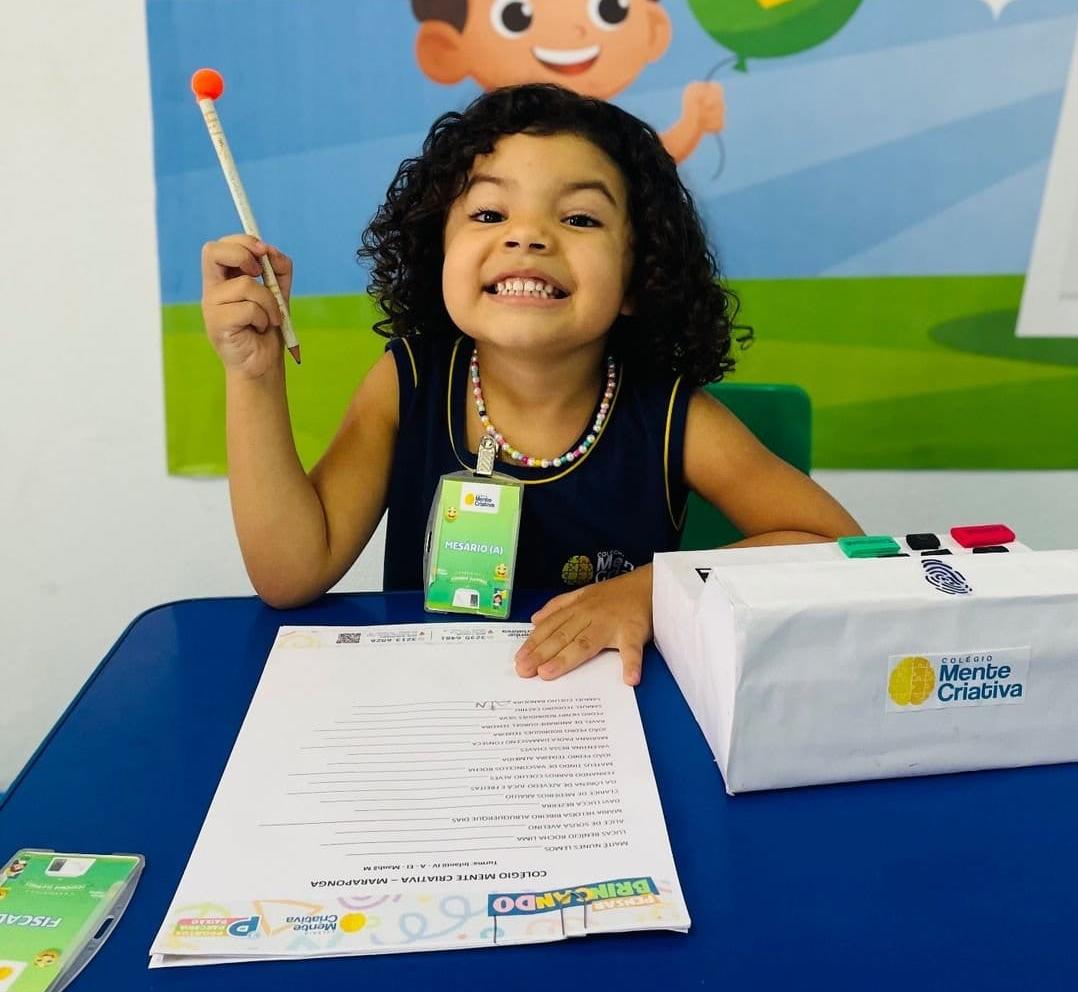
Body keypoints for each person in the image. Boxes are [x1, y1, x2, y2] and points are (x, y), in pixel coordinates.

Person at [200, 84, 861, 686]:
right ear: (440, 253)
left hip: (612, 725)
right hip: (429, 711)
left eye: (579, 219)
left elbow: (833, 547)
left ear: (638, 277)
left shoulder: (672, 418)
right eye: (489, 214)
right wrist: (252, 377)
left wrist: (653, 591)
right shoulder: (407, 381)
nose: (527, 237)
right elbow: (290, 575)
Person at [409, 0, 724, 164]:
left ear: (654, 29)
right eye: (515, 16)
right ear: (445, 50)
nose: (573, 31)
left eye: (609, 10)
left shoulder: (618, 141)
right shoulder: (473, 147)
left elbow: (650, 168)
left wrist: (692, 123)